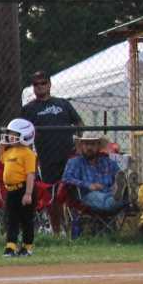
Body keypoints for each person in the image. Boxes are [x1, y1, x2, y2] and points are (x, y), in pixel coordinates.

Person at [20, 69, 82, 233]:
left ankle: (75, 229)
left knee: (73, 191)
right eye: (36, 84)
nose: (40, 86)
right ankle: (57, 231)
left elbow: (79, 123)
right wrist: (29, 154)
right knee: (53, 195)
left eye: (43, 83)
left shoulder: (63, 104)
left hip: (68, 155)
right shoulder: (29, 109)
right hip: (47, 158)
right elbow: (24, 134)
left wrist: (79, 144)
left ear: (49, 84)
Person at [60, 130, 126, 229]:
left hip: (110, 191)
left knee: (119, 193)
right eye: (86, 144)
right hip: (87, 195)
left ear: (98, 146)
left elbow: (119, 176)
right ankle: (118, 199)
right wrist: (88, 185)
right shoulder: (74, 162)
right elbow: (66, 179)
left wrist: (116, 185)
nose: (89, 147)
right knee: (101, 197)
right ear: (81, 145)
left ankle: (122, 196)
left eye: (93, 144)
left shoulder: (108, 162)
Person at [0, 117, 39, 258]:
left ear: (25, 136)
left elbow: (30, 174)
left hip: (24, 189)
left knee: (26, 220)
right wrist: (1, 145)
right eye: (10, 133)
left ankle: (27, 246)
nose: (9, 136)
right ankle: (11, 246)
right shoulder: (9, 151)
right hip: (11, 191)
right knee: (11, 219)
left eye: (13, 134)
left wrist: (28, 193)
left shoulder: (28, 154)